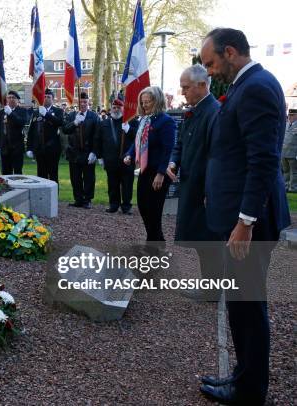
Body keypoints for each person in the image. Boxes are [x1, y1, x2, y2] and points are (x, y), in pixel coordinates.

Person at [198, 28, 290, 405]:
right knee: (240, 304)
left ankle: (250, 391)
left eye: (211, 62)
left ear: (231, 52)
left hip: (250, 223)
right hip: (238, 218)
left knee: (250, 307)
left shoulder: (256, 88)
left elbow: (263, 160)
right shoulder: (243, 85)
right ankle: (241, 375)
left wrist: (245, 222)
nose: (209, 70)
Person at [166, 64, 222, 301]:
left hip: (203, 189)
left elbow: (216, 156)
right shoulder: (194, 110)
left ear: (202, 85)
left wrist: (211, 191)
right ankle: (209, 286)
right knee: (201, 239)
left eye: (186, 87)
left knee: (209, 240)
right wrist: (173, 162)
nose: (182, 93)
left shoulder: (214, 113)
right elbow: (180, 144)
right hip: (192, 185)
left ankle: (212, 289)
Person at [124, 86, 176, 251]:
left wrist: (161, 174)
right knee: (143, 207)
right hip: (145, 171)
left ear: (158, 101)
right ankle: (158, 241)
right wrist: (130, 154)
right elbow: (137, 142)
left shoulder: (166, 121)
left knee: (154, 211)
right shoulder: (144, 120)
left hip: (158, 173)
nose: (145, 105)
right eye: (143, 102)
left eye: (148, 102)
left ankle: (153, 247)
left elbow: (168, 149)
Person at [96, 99, 137, 214]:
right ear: (111, 108)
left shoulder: (132, 121)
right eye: (114, 107)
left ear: (123, 108)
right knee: (112, 184)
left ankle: (126, 206)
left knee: (127, 184)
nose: (116, 110)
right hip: (110, 160)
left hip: (127, 160)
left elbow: (139, 138)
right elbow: (98, 140)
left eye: (119, 107)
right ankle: (113, 205)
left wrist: (129, 129)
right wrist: (99, 157)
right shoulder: (104, 123)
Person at [62, 92, 100, 209]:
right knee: (75, 177)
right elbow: (65, 129)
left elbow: (97, 136)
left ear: (88, 103)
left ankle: (87, 199)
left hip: (87, 152)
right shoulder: (72, 115)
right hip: (74, 152)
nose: (82, 104)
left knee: (89, 177)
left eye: (85, 102)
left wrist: (94, 152)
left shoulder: (94, 116)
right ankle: (78, 199)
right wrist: (74, 123)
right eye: (80, 102)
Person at [26, 89, 64, 182]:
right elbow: (31, 131)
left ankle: (54, 196)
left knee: (53, 175)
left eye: (48, 97)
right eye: (44, 96)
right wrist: (29, 148)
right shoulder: (36, 112)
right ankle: (43, 196)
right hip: (39, 148)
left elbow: (59, 122)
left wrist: (46, 114)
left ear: (53, 99)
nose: (46, 99)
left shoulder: (58, 111)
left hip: (53, 149)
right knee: (41, 175)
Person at [0, 90, 29, 174]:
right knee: (6, 172)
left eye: (13, 97)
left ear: (18, 100)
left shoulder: (22, 111)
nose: (11, 99)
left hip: (17, 147)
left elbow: (21, 122)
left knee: (17, 171)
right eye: (9, 97)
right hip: (4, 147)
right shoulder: (2, 112)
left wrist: (11, 113)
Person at [281, 108, 297, 192]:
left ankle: (293, 188)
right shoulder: (286, 124)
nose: (290, 117)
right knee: (285, 170)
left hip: (293, 152)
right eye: (290, 115)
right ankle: (286, 186)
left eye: (292, 115)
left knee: (294, 172)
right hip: (284, 152)